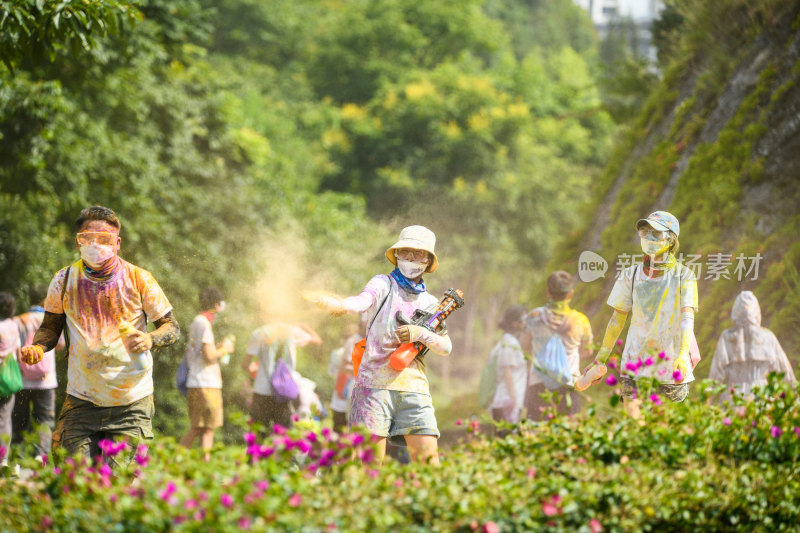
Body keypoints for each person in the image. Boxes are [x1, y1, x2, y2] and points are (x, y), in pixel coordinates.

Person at [19, 206, 180, 466]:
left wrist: (150, 339)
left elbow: (172, 327)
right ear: (78, 242)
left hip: (131, 402)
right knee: (72, 480)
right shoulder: (63, 279)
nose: (95, 245)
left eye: (103, 239)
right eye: (87, 238)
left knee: (118, 487)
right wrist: (37, 347)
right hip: (81, 400)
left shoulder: (139, 279)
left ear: (117, 243)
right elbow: (50, 327)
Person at [310, 225, 453, 465]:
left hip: (414, 391)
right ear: (395, 254)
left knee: (430, 468)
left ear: (428, 260)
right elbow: (361, 301)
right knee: (368, 469)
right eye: (405, 251)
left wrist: (419, 333)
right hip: (373, 388)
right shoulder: (383, 284)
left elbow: (446, 347)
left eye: (418, 253)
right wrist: (340, 305)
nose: (410, 258)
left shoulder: (431, 304)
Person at [579, 211, 698, 408]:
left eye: (656, 234)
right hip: (634, 368)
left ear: (670, 240)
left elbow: (687, 318)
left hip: (671, 370)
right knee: (634, 430)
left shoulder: (684, 276)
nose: (648, 238)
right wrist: (599, 359)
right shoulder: (630, 275)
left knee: (666, 433)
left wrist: (682, 356)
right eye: (645, 232)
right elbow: (617, 320)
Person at [523, 271, 593, 420]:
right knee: (567, 433)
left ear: (548, 293)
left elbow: (525, 348)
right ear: (570, 293)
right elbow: (588, 352)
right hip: (569, 384)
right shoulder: (580, 320)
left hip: (538, 383)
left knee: (536, 433)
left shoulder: (533, 317)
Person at [709, 291, 796, 403]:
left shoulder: (727, 337)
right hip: (761, 397)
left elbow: (716, 373)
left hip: (733, 398)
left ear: (735, 311)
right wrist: (795, 398)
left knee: (734, 421)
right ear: (757, 311)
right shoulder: (768, 337)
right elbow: (785, 372)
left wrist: (707, 402)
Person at [180, 287, 234, 458]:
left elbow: (203, 353)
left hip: (199, 382)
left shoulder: (199, 322)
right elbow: (209, 356)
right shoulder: (203, 323)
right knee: (202, 428)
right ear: (216, 304)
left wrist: (217, 349)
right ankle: (176, 462)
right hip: (205, 383)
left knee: (204, 428)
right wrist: (225, 350)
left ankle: (191, 464)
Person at [242, 321, 321, 435]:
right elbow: (317, 340)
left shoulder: (259, 333)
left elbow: (245, 365)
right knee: (283, 435)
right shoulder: (292, 331)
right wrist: (305, 325)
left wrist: (253, 369)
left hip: (262, 390)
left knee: (258, 433)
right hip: (284, 391)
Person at [12, 286, 62, 460]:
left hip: (22, 380)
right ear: (45, 300)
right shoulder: (51, 320)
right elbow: (60, 344)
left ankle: (15, 461)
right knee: (44, 420)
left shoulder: (19, 321)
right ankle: (40, 457)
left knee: (19, 420)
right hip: (46, 381)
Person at [489, 305, 528, 427]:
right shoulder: (509, 343)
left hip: (506, 401)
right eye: (524, 319)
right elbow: (507, 372)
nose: (526, 322)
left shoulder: (507, 342)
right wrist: (514, 399)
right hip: (507, 402)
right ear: (514, 322)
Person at [328, 323, 360, 433]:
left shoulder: (335, 353)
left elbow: (332, 372)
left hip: (339, 393)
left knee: (338, 429)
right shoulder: (358, 348)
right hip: (353, 392)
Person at [0, 292, 21, 455]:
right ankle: (4, 458)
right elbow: (18, 351)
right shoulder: (13, 325)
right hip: (8, 376)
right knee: (5, 418)